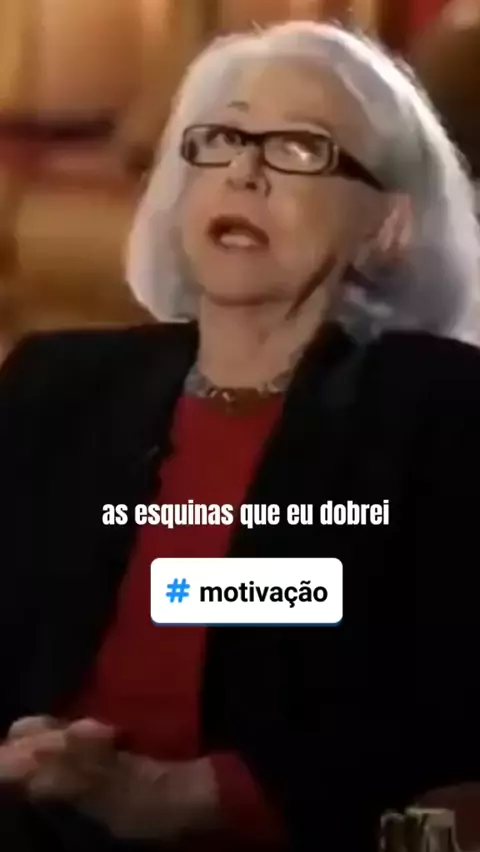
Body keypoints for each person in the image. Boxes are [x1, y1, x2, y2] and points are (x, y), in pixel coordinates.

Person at [1, 18, 480, 852]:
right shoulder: (56, 383)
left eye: (299, 148)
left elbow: (446, 695)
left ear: (388, 225)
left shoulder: (439, 410)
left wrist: (194, 794)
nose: (243, 170)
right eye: (220, 140)